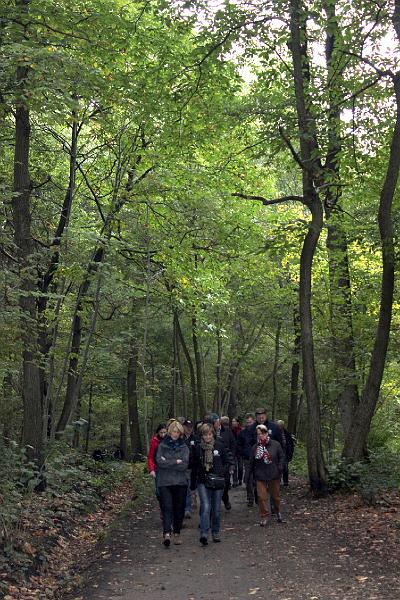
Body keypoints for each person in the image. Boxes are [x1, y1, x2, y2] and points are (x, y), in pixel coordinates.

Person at [191, 423, 234, 545]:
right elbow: (194, 466)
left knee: (215, 509)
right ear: (202, 436)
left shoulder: (219, 446)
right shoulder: (198, 448)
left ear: (212, 434)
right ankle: (204, 533)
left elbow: (228, 461)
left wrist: (222, 473)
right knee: (205, 506)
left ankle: (215, 531)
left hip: (218, 481)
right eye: (205, 434)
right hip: (203, 481)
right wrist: (193, 484)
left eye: (209, 434)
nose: (207, 437)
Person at [156, 420, 189, 547]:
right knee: (167, 507)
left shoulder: (184, 446)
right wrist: (176, 461)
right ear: (170, 432)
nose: (175, 434)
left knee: (179, 508)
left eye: (178, 432)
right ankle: (166, 533)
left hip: (180, 482)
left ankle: (177, 532)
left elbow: (184, 465)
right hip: (164, 481)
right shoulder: (162, 445)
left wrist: (168, 461)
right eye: (174, 431)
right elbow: (159, 462)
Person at [250, 424, 285, 526]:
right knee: (261, 497)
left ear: (266, 433)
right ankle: (264, 516)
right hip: (260, 475)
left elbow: (282, 457)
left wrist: (280, 468)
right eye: (258, 434)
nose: (259, 436)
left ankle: (278, 512)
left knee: (275, 497)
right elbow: (251, 462)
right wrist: (248, 476)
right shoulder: (255, 447)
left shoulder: (275, 444)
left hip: (274, 475)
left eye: (261, 434)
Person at [207, 414, 235, 510]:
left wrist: (231, 461)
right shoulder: (208, 433)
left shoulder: (227, 431)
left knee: (225, 484)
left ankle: (225, 499)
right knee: (213, 484)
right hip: (213, 462)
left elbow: (232, 444)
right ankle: (214, 506)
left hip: (225, 460)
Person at [237, 413, 256, 506]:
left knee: (257, 478)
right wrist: (243, 453)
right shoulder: (242, 432)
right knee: (248, 478)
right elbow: (239, 444)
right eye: (247, 422)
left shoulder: (258, 431)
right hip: (247, 458)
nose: (249, 423)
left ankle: (257, 495)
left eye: (250, 422)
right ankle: (250, 497)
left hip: (258, 459)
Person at [183, 419, 196, 518]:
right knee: (185, 489)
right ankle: (185, 508)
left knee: (190, 487)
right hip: (182, 467)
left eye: (190, 427)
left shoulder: (195, 438)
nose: (189, 429)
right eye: (187, 427)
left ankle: (187, 508)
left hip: (192, 467)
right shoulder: (180, 438)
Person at [276, 420, 295, 486]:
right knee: (278, 468)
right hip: (277, 453)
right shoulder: (275, 433)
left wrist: (290, 453)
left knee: (285, 468)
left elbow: (291, 444)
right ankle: (277, 481)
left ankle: (285, 482)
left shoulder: (287, 433)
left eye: (281, 426)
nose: (279, 427)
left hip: (285, 453)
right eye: (278, 426)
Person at [231, 417, 243, 487]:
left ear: (238, 423)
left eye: (234, 421)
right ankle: (235, 481)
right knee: (234, 466)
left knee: (240, 466)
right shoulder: (230, 430)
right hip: (233, 451)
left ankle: (240, 479)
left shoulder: (241, 430)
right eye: (232, 421)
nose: (233, 422)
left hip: (240, 451)